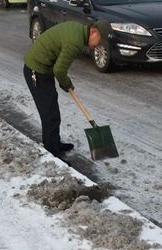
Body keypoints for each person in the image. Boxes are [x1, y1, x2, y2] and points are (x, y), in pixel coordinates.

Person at [22, 21, 109, 157]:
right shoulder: (75, 42)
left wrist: (64, 83)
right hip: (36, 71)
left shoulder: (78, 29)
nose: (98, 46)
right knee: (50, 116)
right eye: (99, 42)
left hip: (43, 69)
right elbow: (59, 70)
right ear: (93, 32)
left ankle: (54, 144)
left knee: (52, 112)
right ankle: (52, 153)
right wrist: (67, 84)